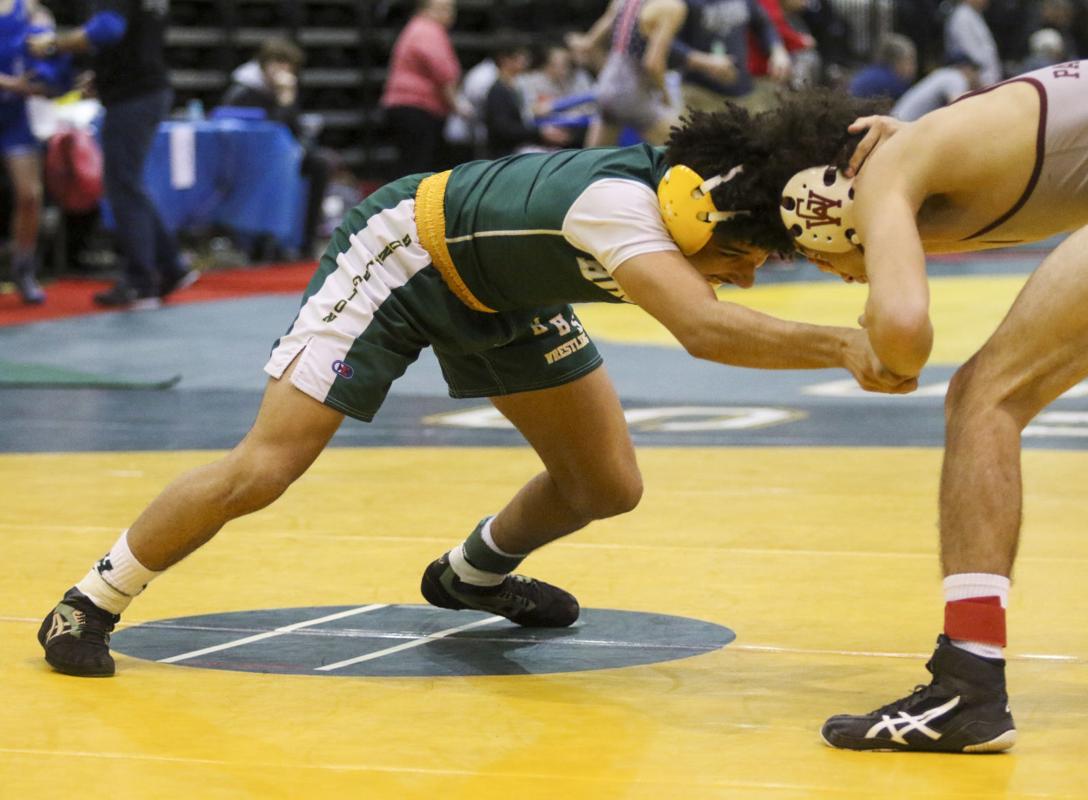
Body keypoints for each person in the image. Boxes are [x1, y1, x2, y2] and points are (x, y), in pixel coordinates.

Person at [36, 101, 914, 678]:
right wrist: (842, 345)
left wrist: (880, 142)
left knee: (606, 486)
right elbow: (703, 330)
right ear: (700, 218)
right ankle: (88, 604)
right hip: (404, 258)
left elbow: (792, 145)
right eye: (739, 259)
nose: (747, 281)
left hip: (504, 289)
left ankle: (469, 578)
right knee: (266, 466)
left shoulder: (716, 179)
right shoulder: (619, 210)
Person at [772, 55, 1088, 752]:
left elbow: (905, 334)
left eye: (808, 250)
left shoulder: (882, 171)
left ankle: (968, 685)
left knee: (985, 395)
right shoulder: (926, 155)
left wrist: (866, 345)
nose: (829, 270)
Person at [28, 0, 194, 309]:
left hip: (133, 96)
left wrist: (52, 45)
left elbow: (108, 30)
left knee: (122, 186)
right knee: (128, 183)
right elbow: (134, 38)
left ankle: (141, 281)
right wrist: (105, 74)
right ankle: (170, 265)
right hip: (144, 89)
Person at [222, 37, 335, 256]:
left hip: (283, 157)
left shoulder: (286, 91)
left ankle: (306, 242)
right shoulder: (244, 92)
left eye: (287, 66)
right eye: (277, 64)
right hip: (252, 160)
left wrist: (287, 101)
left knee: (320, 164)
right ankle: (264, 242)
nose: (282, 71)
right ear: (264, 65)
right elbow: (270, 133)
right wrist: (284, 103)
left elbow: (293, 132)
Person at [0, 0, 70, 304]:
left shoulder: (27, 8)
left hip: (15, 115)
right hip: (14, 95)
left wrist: (48, 77)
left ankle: (23, 266)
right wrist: (13, 84)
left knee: (30, 195)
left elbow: (49, 49)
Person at [571, 0, 696, 147]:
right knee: (686, 147)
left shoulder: (622, 2)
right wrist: (665, 96)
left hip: (606, 89)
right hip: (633, 93)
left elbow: (587, 45)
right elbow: (653, 64)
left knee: (594, 161)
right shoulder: (670, 7)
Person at [379, 0, 461, 174]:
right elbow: (443, 70)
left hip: (408, 106)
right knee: (418, 167)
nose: (450, 15)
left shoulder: (416, 28)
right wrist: (458, 105)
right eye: (445, 9)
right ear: (426, 10)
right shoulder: (427, 30)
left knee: (412, 162)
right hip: (416, 107)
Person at [482, 43, 571, 158]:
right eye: (520, 57)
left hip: (522, 147)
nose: (525, 60)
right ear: (505, 60)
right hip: (505, 155)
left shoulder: (516, 87)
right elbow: (504, 129)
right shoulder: (498, 91)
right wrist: (539, 133)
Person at [889, 51, 982, 121]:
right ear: (965, 67)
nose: (977, 75)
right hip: (901, 129)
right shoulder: (955, 77)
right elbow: (958, 108)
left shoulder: (942, 75)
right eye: (974, 69)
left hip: (897, 125)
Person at [944, 0, 1002, 85]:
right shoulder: (961, 18)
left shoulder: (974, 14)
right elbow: (971, 55)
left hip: (991, 78)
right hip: (977, 81)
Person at [847, 33, 917, 101]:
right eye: (910, 62)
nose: (914, 68)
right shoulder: (892, 84)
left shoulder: (868, 73)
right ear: (897, 61)